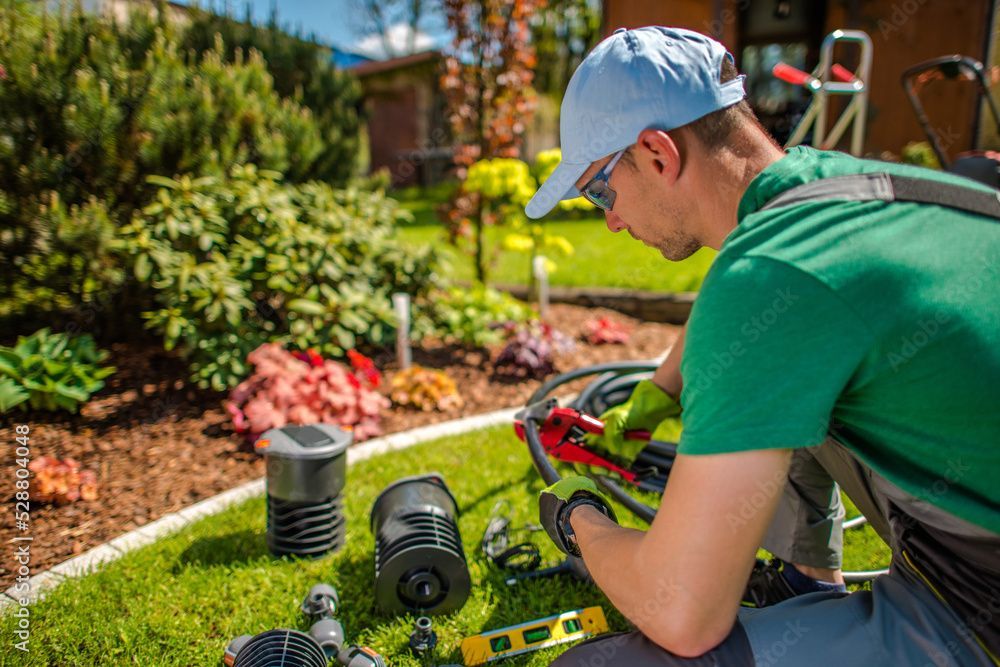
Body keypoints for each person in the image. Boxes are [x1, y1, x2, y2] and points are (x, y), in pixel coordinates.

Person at [525, 26, 1000, 666]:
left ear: (659, 153)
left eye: (600, 190)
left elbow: (680, 614)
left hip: (975, 601)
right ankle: (808, 586)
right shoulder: (832, 188)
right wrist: (657, 395)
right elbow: (772, 318)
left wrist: (580, 521)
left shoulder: (772, 273)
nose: (609, 218)